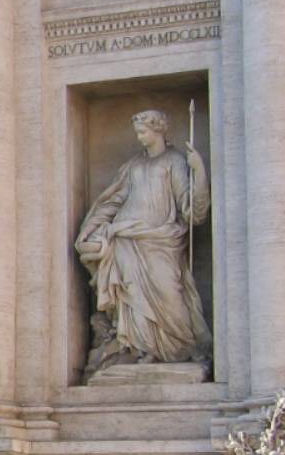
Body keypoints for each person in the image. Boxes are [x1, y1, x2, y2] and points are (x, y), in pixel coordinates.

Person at [75, 109, 211, 375]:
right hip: (126, 238)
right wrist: (90, 229)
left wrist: (200, 172)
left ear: (158, 130)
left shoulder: (175, 161)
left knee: (169, 292)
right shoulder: (133, 166)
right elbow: (113, 200)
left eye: (143, 131)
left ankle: (177, 349)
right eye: (137, 132)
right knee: (132, 293)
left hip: (162, 240)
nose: (139, 137)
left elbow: (191, 209)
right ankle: (142, 350)